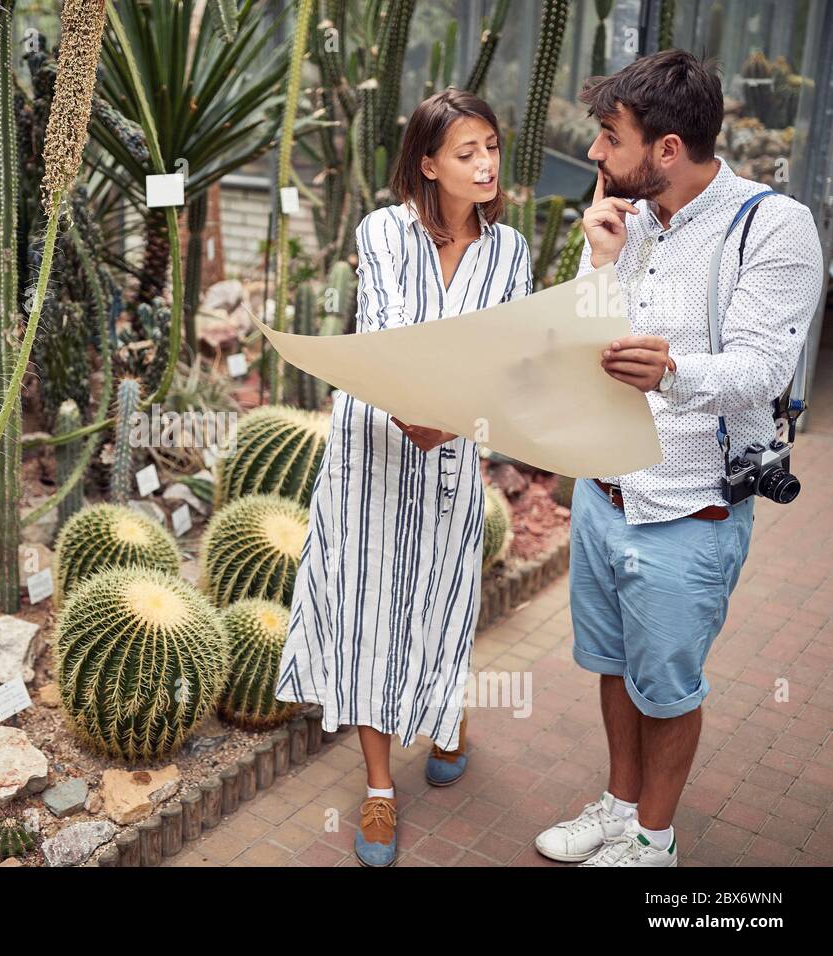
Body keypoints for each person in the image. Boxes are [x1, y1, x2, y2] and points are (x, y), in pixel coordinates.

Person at [534, 49, 824, 867]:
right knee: (615, 668)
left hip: (688, 509)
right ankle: (619, 807)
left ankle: (653, 843)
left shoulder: (772, 227)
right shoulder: (625, 221)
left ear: (666, 149)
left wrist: (673, 371)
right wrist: (595, 263)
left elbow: (765, 370)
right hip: (604, 492)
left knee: (666, 688)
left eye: (608, 137)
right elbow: (579, 346)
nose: (593, 155)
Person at [273, 88, 533, 867]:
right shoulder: (382, 232)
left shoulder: (511, 250)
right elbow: (386, 335)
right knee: (371, 607)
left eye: (491, 146)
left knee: (446, 595)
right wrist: (419, 411)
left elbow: (511, 353)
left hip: (454, 449)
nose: (485, 163)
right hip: (373, 449)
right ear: (428, 163)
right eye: (466, 152)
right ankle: (381, 790)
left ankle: (446, 715)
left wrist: (455, 419)